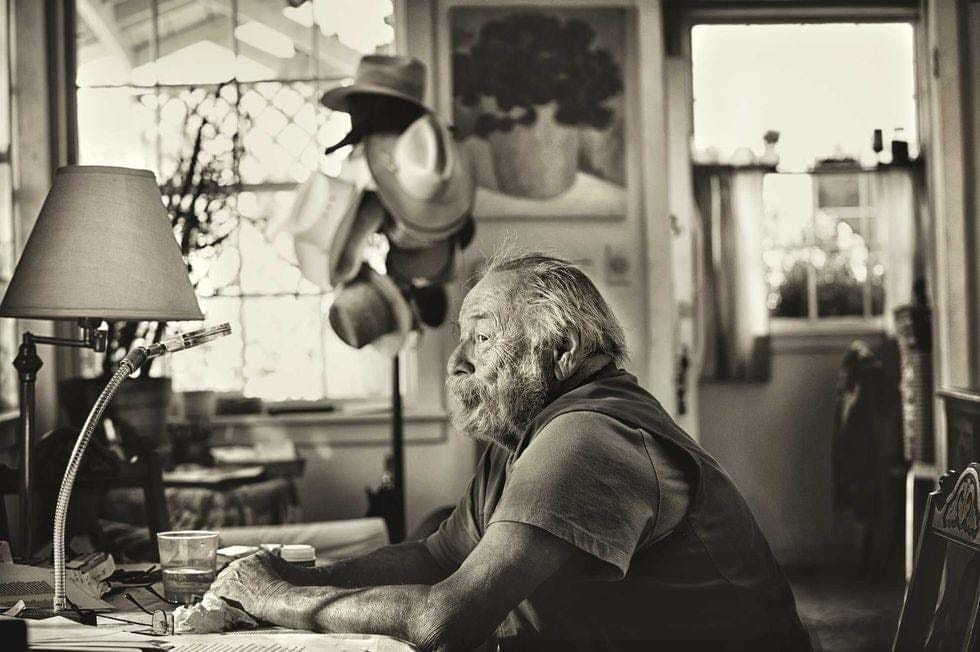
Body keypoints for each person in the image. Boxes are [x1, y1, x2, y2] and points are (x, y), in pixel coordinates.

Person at [211, 252, 811, 651]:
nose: (456, 362)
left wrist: (278, 599)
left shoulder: (589, 438)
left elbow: (444, 620)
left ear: (562, 350)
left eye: (484, 337)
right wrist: (300, 574)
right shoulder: (525, 432)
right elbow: (435, 557)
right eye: (460, 337)